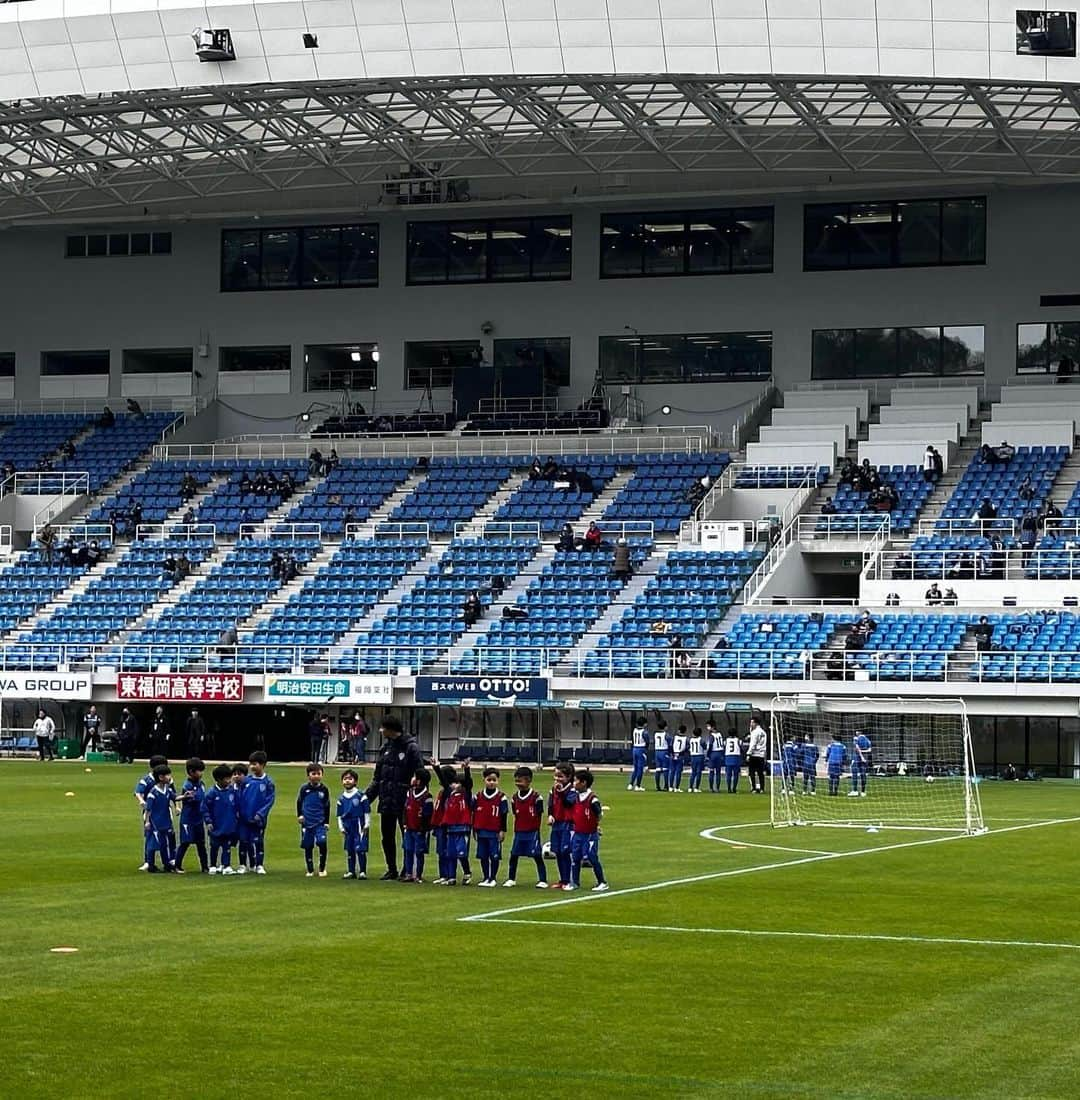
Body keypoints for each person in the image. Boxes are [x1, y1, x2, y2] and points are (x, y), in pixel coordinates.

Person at [365, 715, 424, 880]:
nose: (380, 731)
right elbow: (378, 777)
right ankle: (391, 868)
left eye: (383, 728)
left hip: (405, 801)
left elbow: (421, 773)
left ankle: (408, 869)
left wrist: (414, 789)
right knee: (387, 836)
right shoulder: (385, 748)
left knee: (406, 836)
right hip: (387, 799)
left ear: (390, 729)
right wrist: (366, 798)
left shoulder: (411, 748)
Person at [565, 769, 608, 893]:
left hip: (589, 834)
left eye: (575, 781)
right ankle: (575, 882)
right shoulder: (576, 797)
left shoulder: (592, 799)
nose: (573, 783)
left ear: (583, 783)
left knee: (592, 857)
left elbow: (599, 814)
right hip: (578, 833)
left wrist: (595, 826)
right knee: (576, 857)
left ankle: (602, 882)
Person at [504, 766, 547, 889]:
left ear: (528, 780)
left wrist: (535, 828)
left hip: (532, 831)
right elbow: (515, 813)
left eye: (520, 781)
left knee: (537, 856)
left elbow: (539, 814)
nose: (518, 784)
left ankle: (542, 879)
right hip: (519, 831)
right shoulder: (514, 798)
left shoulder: (536, 797)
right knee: (514, 855)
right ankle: (511, 878)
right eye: (516, 781)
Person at [436, 761, 474, 886]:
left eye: (458, 783)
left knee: (461, 853)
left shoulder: (466, 795)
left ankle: (467, 872)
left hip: (462, 828)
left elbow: (468, 783)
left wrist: (467, 769)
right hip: (451, 828)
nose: (455, 785)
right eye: (454, 783)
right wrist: (436, 767)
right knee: (450, 853)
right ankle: (451, 877)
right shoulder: (450, 793)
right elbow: (444, 781)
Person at [240, 750, 275, 874]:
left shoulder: (268, 782)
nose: (252, 767)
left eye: (255, 764)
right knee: (244, 841)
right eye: (251, 764)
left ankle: (259, 864)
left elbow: (269, 801)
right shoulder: (246, 781)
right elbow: (240, 797)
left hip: (259, 819)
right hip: (245, 817)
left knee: (258, 841)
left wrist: (260, 814)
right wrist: (240, 812)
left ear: (263, 764)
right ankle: (243, 864)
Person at [473, 767, 508, 887]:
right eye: (489, 780)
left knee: (494, 855)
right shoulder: (478, 796)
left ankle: (493, 878)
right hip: (481, 830)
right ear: (484, 780)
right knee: (483, 855)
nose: (491, 782)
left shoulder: (501, 797)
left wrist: (503, 830)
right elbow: (474, 813)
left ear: (498, 780)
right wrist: (474, 829)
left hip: (494, 831)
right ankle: (485, 877)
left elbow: (504, 815)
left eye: (494, 780)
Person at [202, 764, 239, 874]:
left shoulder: (232, 791)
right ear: (219, 779)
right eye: (227, 778)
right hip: (216, 825)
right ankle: (213, 865)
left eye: (230, 778)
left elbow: (236, 805)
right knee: (214, 846)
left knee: (227, 846)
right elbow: (204, 809)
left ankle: (226, 865)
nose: (229, 781)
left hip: (228, 824)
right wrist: (208, 821)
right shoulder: (212, 793)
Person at [296, 763, 332, 878]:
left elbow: (327, 806)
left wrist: (326, 822)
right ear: (308, 775)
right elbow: (299, 803)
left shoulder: (324, 790)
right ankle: (310, 869)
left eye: (318, 774)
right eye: (313, 774)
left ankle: (322, 868)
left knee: (322, 843)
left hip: (320, 822)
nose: (316, 776)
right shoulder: (304, 789)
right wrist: (300, 815)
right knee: (308, 845)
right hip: (307, 822)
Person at [175, 758, 208, 873]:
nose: (201, 773)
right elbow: (196, 798)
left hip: (198, 819)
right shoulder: (187, 786)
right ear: (191, 772)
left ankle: (205, 867)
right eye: (199, 771)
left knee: (201, 844)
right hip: (188, 819)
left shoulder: (201, 784)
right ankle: (177, 865)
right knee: (185, 842)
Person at [143, 763, 178, 873]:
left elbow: (175, 797)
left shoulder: (167, 789)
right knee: (152, 844)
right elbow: (148, 809)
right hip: (155, 822)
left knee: (163, 843)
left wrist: (185, 796)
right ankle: (151, 864)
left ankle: (166, 863)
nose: (170, 777)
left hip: (165, 820)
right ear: (160, 777)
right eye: (167, 775)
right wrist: (147, 821)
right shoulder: (153, 793)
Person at [401, 768, 434, 883]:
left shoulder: (427, 796)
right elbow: (405, 809)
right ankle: (408, 873)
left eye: (415, 777)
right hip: (409, 828)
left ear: (419, 781)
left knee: (419, 852)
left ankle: (418, 875)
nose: (412, 779)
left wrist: (423, 829)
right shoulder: (409, 792)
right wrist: (404, 823)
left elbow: (428, 814)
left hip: (420, 830)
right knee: (408, 850)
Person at [337, 769, 371, 880]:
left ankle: (362, 871)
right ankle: (351, 871)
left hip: (358, 824)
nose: (347, 781)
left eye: (350, 779)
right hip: (348, 824)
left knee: (360, 848)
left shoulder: (361, 795)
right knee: (350, 848)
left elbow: (366, 810)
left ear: (355, 781)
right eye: (345, 779)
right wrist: (341, 826)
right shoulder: (341, 798)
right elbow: (339, 814)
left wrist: (367, 823)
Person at [546, 761, 576, 890]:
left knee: (565, 852)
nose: (557, 779)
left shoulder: (572, 790)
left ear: (568, 777)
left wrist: (562, 792)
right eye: (556, 776)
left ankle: (568, 880)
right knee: (557, 852)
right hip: (557, 823)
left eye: (560, 776)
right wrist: (550, 815)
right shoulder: (553, 790)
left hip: (567, 824)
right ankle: (562, 879)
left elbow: (568, 804)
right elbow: (551, 804)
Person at [746, 715, 767, 794]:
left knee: (752, 772)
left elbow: (753, 744)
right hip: (761, 754)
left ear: (755, 723)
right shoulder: (763, 732)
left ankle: (754, 788)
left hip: (754, 754)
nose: (751, 724)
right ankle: (762, 788)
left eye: (752, 722)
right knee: (760, 773)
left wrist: (748, 754)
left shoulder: (755, 732)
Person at [848, 731, 872, 797]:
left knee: (854, 774)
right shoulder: (868, 740)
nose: (856, 732)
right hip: (865, 759)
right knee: (863, 774)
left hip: (857, 758)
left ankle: (855, 790)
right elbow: (869, 750)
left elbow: (857, 748)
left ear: (859, 732)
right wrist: (864, 753)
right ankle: (863, 792)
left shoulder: (856, 738)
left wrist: (861, 756)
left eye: (857, 731)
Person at [628, 717, 648, 791]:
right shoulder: (644, 732)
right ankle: (638, 785)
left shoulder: (635, 730)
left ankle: (630, 784)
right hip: (641, 749)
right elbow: (647, 741)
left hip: (635, 748)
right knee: (640, 769)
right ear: (644, 724)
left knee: (635, 768)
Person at [825, 732, 847, 796]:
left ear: (834, 739)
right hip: (839, 762)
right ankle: (835, 791)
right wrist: (844, 763)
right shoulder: (843, 746)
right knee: (837, 777)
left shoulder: (830, 745)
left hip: (832, 762)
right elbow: (844, 756)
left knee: (831, 777)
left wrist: (826, 761)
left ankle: (830, 791)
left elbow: (828, 754)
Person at [706, 719, 725, 793]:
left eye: (708, 726)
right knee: (718, 772)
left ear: (712, 727)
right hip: (720, 753)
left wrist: (708, 754)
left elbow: (710, 744)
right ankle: (717, 788)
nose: (707, 728)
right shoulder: (720, 734)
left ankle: (711, 788)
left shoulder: (712, 735)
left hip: (713, 753)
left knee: (711, 771)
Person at [668, 726, 688, 792]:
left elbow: (670, 745)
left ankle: (670, 787)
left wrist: (672, 753)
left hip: (673, 754)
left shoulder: (674, 737)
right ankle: (677, 787)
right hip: (680, 755)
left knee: (672, 771)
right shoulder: (686, 739)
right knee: (678, 772)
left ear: (679, 730)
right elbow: (687, 747)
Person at [652, 721, 671, 791]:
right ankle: (666, 786)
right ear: (665, 727)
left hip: (657, 752)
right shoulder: (666, 734)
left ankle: (657, 786)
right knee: (665, 769)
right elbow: (670, 743)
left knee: (658, 769)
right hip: (664, 751)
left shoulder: (655, 734)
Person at [724, 726, 743, 793]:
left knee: (728, 774)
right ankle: (734, 788)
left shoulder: (726, 740)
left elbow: (724, 747)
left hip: (728, 757)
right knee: (736, 774)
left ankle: (729, 788)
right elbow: (741, 748)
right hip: (736, 757)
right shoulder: (738, 740)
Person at [687, 728, 707, 794]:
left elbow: (688, 747)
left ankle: (690, 787)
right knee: (698, 772)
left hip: (693, 756)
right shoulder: (701, 740)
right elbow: (705, 747)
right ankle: (696, 788)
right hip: (699, 756)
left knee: (693, 772)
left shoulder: (691, 740)